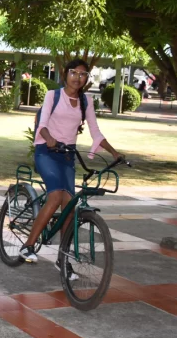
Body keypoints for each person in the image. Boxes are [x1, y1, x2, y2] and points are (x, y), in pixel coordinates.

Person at [21, 59, 122, 278]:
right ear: (65, 74)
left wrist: (114, 153)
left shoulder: (87, 101)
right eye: (74, 73)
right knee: (55, 196)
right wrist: (48, 139)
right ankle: (28, 245)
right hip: (46, 152)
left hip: (67, 155)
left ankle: (63, 259)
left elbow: (95, 131)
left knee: (70, 208)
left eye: (83, 74)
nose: (78, 77)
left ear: (87, 78)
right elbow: (43, 124)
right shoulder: (53, 96)